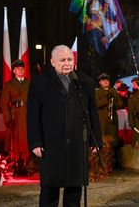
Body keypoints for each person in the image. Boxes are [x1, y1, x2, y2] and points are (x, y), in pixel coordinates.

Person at [27, 45, 102, 206]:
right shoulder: (40, 82)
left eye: (70, 59)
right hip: (51, 143)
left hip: (77, 143)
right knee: (49, 189)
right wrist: (35, 141)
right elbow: (33, 115)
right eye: (62, 60)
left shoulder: (85, 82)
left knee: (74, 189)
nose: (67, 63)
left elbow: (92, 113)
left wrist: (96, 140)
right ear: (53, 62)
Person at [0, 60, 30, 175]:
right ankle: (17, 164)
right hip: (15, 115)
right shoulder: (9, 85)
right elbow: (4, 103)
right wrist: (7, 119)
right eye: (18, 69)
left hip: (27, 114)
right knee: (16, 140)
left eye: (22, 68)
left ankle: (25, 164)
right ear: (13, 71)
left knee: (25, 140)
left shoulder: (29, 83)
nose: (20, 70)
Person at [95, 73, 124, 171]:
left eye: (107, 80)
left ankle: (115, 163)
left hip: (113, 120)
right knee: (104, 142)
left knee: (114, 142)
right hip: (103, 121)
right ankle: (104, 163)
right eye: (103, 80)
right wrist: (106, 100)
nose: (106, 82)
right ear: (100, 82)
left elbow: (120, 103)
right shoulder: (97, 92)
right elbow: (96, 104)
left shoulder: (113, 91)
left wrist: (114, 103)